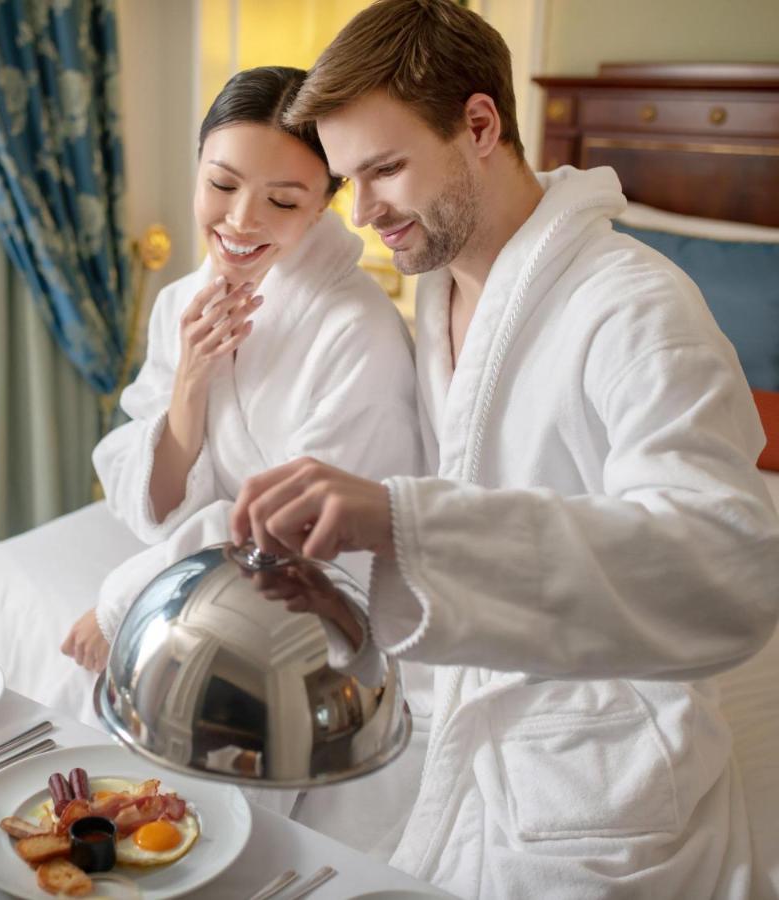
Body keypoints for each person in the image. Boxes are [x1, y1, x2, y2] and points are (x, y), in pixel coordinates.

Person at [229, 1, 779, 897]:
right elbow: (471, 500)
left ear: (480, 125)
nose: (363, 213)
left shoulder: (638, 309)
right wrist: (346, 581)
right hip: (455, 702)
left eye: (386, 169)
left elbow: (730, 570)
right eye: (349, 179)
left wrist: (401, 520)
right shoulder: (440, 288)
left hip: (598, 751)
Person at [61, 66, 421, 673]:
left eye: (283, 200)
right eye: (222, 184)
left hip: (318, 597)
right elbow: (156, 504)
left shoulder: (360, 332)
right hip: (210, 578)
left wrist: (123, 602)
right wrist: (191, 378)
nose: (242, 220)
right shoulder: (183, 302)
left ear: (322, 205)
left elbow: (303, 525)